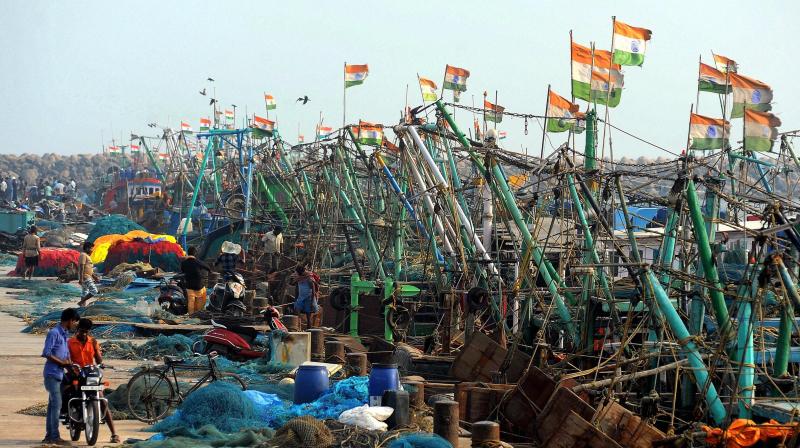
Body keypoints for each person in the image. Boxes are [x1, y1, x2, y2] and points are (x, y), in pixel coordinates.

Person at [66, 318, 119, 443]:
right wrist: (71, 365)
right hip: (77, 375)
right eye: (82, 331)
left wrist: (101, 363)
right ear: (77, 330)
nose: (84, 334)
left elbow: (99, 359)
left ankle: (114, 434)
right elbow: (67, 358)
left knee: (103, 401)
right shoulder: (70, 342)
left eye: (86, 332)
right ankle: (69, 414)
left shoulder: (93, 342)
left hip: (90, 376)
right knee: (68, 393)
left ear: (89, 331)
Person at [41, 308, 80, 445]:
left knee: (52, 406)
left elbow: (66, 355)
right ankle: (54, 436)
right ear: (70, 320)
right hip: (52, 374)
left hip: (59, 374)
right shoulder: (54, 333)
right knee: (57, 405)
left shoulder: (64, 335)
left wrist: (70, 366)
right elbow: (46, 353)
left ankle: (49, 435)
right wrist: (62, 363)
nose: (75, 325)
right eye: (75, 322)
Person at [180, 246, 212, 314]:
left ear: (188, 253)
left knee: (191, 301)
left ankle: (191, 315)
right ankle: (198, 314)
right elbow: (208, 268)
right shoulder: (198, 262)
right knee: (200, 300)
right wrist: (210, 271)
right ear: (195, 254)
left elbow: (182, 271)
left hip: (189, 285)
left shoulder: (184, 263)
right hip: (198, 285)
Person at [290, 264, 320, 329]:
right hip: (300, 298)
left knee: (308, 316)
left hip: (308, 299)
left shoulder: (309, 278)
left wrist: (312, 302)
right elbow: (297, 289)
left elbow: (313, 291)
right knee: (297, 311)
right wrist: (296, 299)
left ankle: (309, 329)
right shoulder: (298, 279)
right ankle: (298, 328)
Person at [77, 241, 99, 307]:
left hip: (87, 276)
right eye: (91, 248)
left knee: (84, 292)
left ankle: (82, 307)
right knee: (94, 291)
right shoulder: (83, 255)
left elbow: (89, 268)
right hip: (85, 277)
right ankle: (81, 302)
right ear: (87, 248)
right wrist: (81, 278)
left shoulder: (87, 256)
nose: (92, 250)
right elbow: (81, 267)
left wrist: (94, 276)